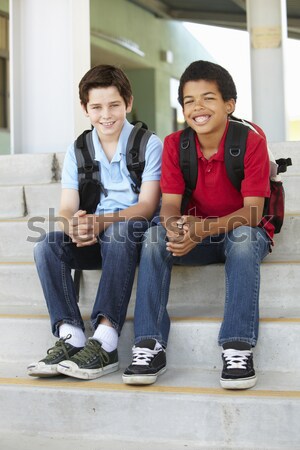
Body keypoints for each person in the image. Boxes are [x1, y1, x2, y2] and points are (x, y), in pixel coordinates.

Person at [122, 60, 272, 389]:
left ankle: (238, 346)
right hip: (196, 234)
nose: (198, 107)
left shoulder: (251, 141)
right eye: (189, 101)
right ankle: (149, 343)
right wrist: (177, 228)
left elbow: (252, 213)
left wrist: (200, 229)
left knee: (245, 239)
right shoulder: (176, 144)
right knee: (153, 237)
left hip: (240, 232)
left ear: (229, 105)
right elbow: (171, 204)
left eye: (208, 98)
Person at [27, 64, 163, 380]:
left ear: (128, 103)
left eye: (114, 105)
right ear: (85, 109)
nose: (106, 114)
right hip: (96, 232)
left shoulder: (148, 144)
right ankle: (71, 336)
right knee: (47, 244)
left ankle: (105, 341)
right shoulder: (78, 149)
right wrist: (74, 225)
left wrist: (101, 223)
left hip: (134, 234)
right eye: (97, 107)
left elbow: (147, 206)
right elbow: (66, 207)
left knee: (119, 232)